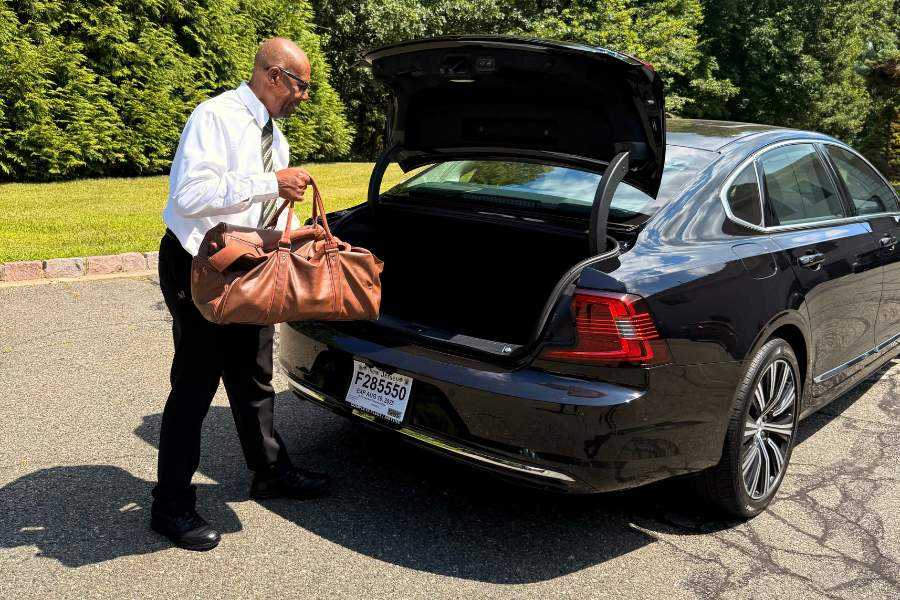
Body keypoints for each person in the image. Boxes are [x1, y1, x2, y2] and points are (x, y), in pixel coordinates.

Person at [152, 37, 330, 551]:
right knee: (195, 384)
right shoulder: (216, 117)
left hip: (248, 264)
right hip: (200, 266)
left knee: (253, 375)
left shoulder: (275, 135)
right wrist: (267, 183)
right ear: (274, 75)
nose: (303, 97)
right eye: (301, 86)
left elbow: (259, 209)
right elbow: (189, 194)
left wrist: (291, 235)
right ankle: (170, 505)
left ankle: (270, 472)